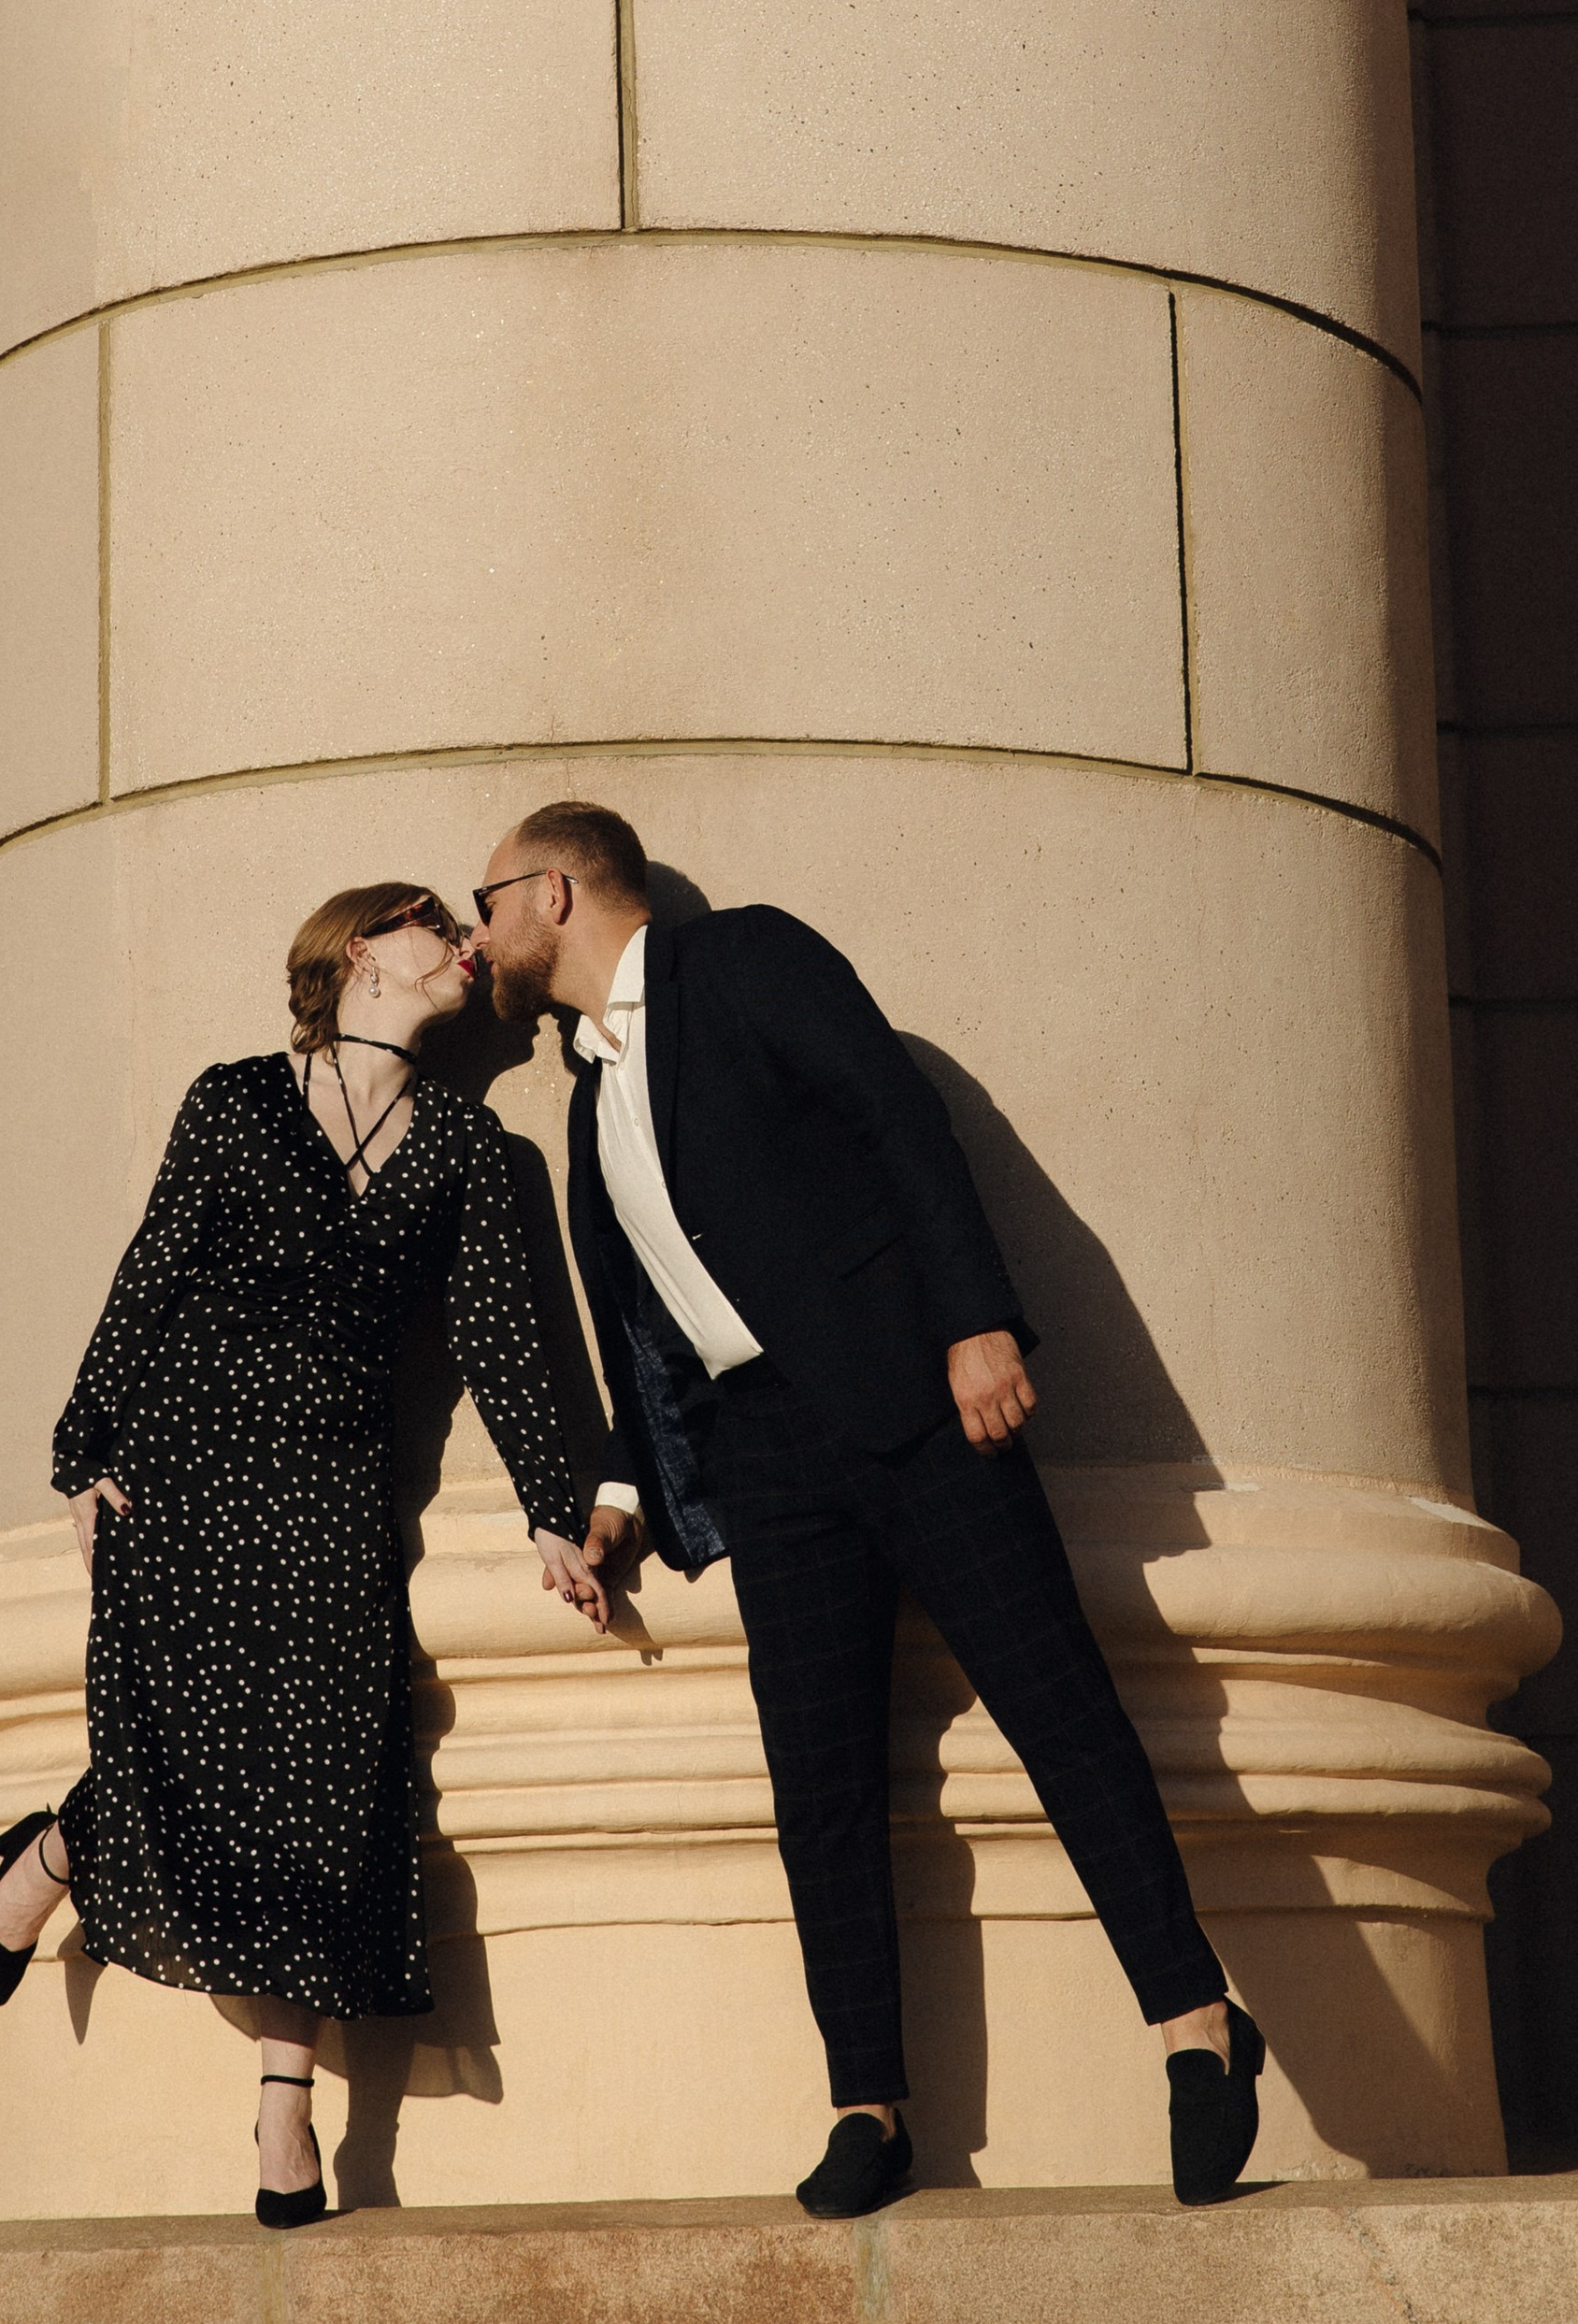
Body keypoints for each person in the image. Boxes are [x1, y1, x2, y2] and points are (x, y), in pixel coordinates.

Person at [469, 799, 1264, 2217]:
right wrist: (620, 1490)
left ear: (551, 893)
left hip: (914, 1408)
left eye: (484, 908)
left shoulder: (745, 960)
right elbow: (641, 1319)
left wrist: (976, 1322)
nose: (480, 941)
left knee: (1059, 1707)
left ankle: (1198, 2031)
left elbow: (901, 1112)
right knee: (818, 1786)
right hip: (764, 1457)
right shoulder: (591, 1088)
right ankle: (870, 2107)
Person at [0, 882, 604, 2227]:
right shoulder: (235, 1100)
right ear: (363, 948)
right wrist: (83, 1452)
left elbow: (505, 1345)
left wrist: (555, 1504)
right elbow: (154, 1272)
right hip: (186, 1479)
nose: (465, 940)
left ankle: (280, 2113)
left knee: (321, 1793)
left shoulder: (475, 1154)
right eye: (437, 919)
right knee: (187, 1756)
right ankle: (57, 1856)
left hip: (330, 1500)